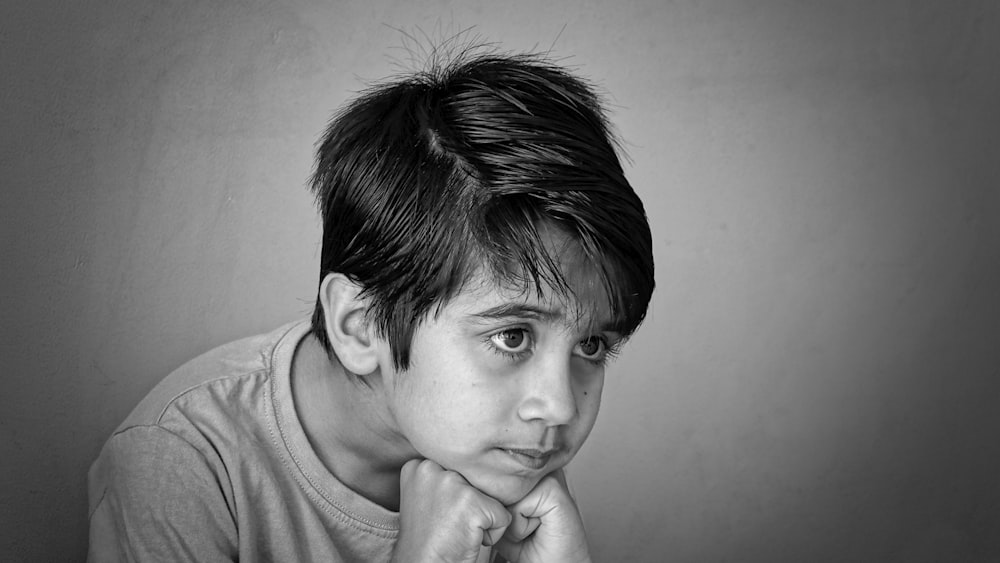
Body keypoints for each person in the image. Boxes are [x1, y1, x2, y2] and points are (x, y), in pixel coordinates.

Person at [87, 48, 655, 562]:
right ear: (360, 328)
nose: (557, 406)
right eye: (512, 337)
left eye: (591, 345)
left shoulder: (501, 460)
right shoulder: (184, 463)